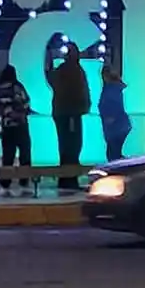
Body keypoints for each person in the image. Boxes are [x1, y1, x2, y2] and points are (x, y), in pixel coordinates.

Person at [49, 40, 91, 189]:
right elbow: (80, 91)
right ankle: (70, 178)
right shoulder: (74, 71)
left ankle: (66, 178)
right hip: (71, 113)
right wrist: (83, 106)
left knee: (66, 145)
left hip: (63, 112)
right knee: (72, 145)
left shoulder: (63, 69)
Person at [0, 63, 32, 193]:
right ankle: (24, 180)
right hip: (21, 126)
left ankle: (5, 183)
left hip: (7, 127)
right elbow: (26, 104)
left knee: (7, 156)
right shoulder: (18, 88)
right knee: (25, 154)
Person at [98, 61, 132, 164]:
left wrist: (110, 118)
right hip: (119, 126)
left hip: (115, 127)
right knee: (114, 153)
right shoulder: (115, 88)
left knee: (112, 155)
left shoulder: (110, 89)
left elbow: (110, 106)